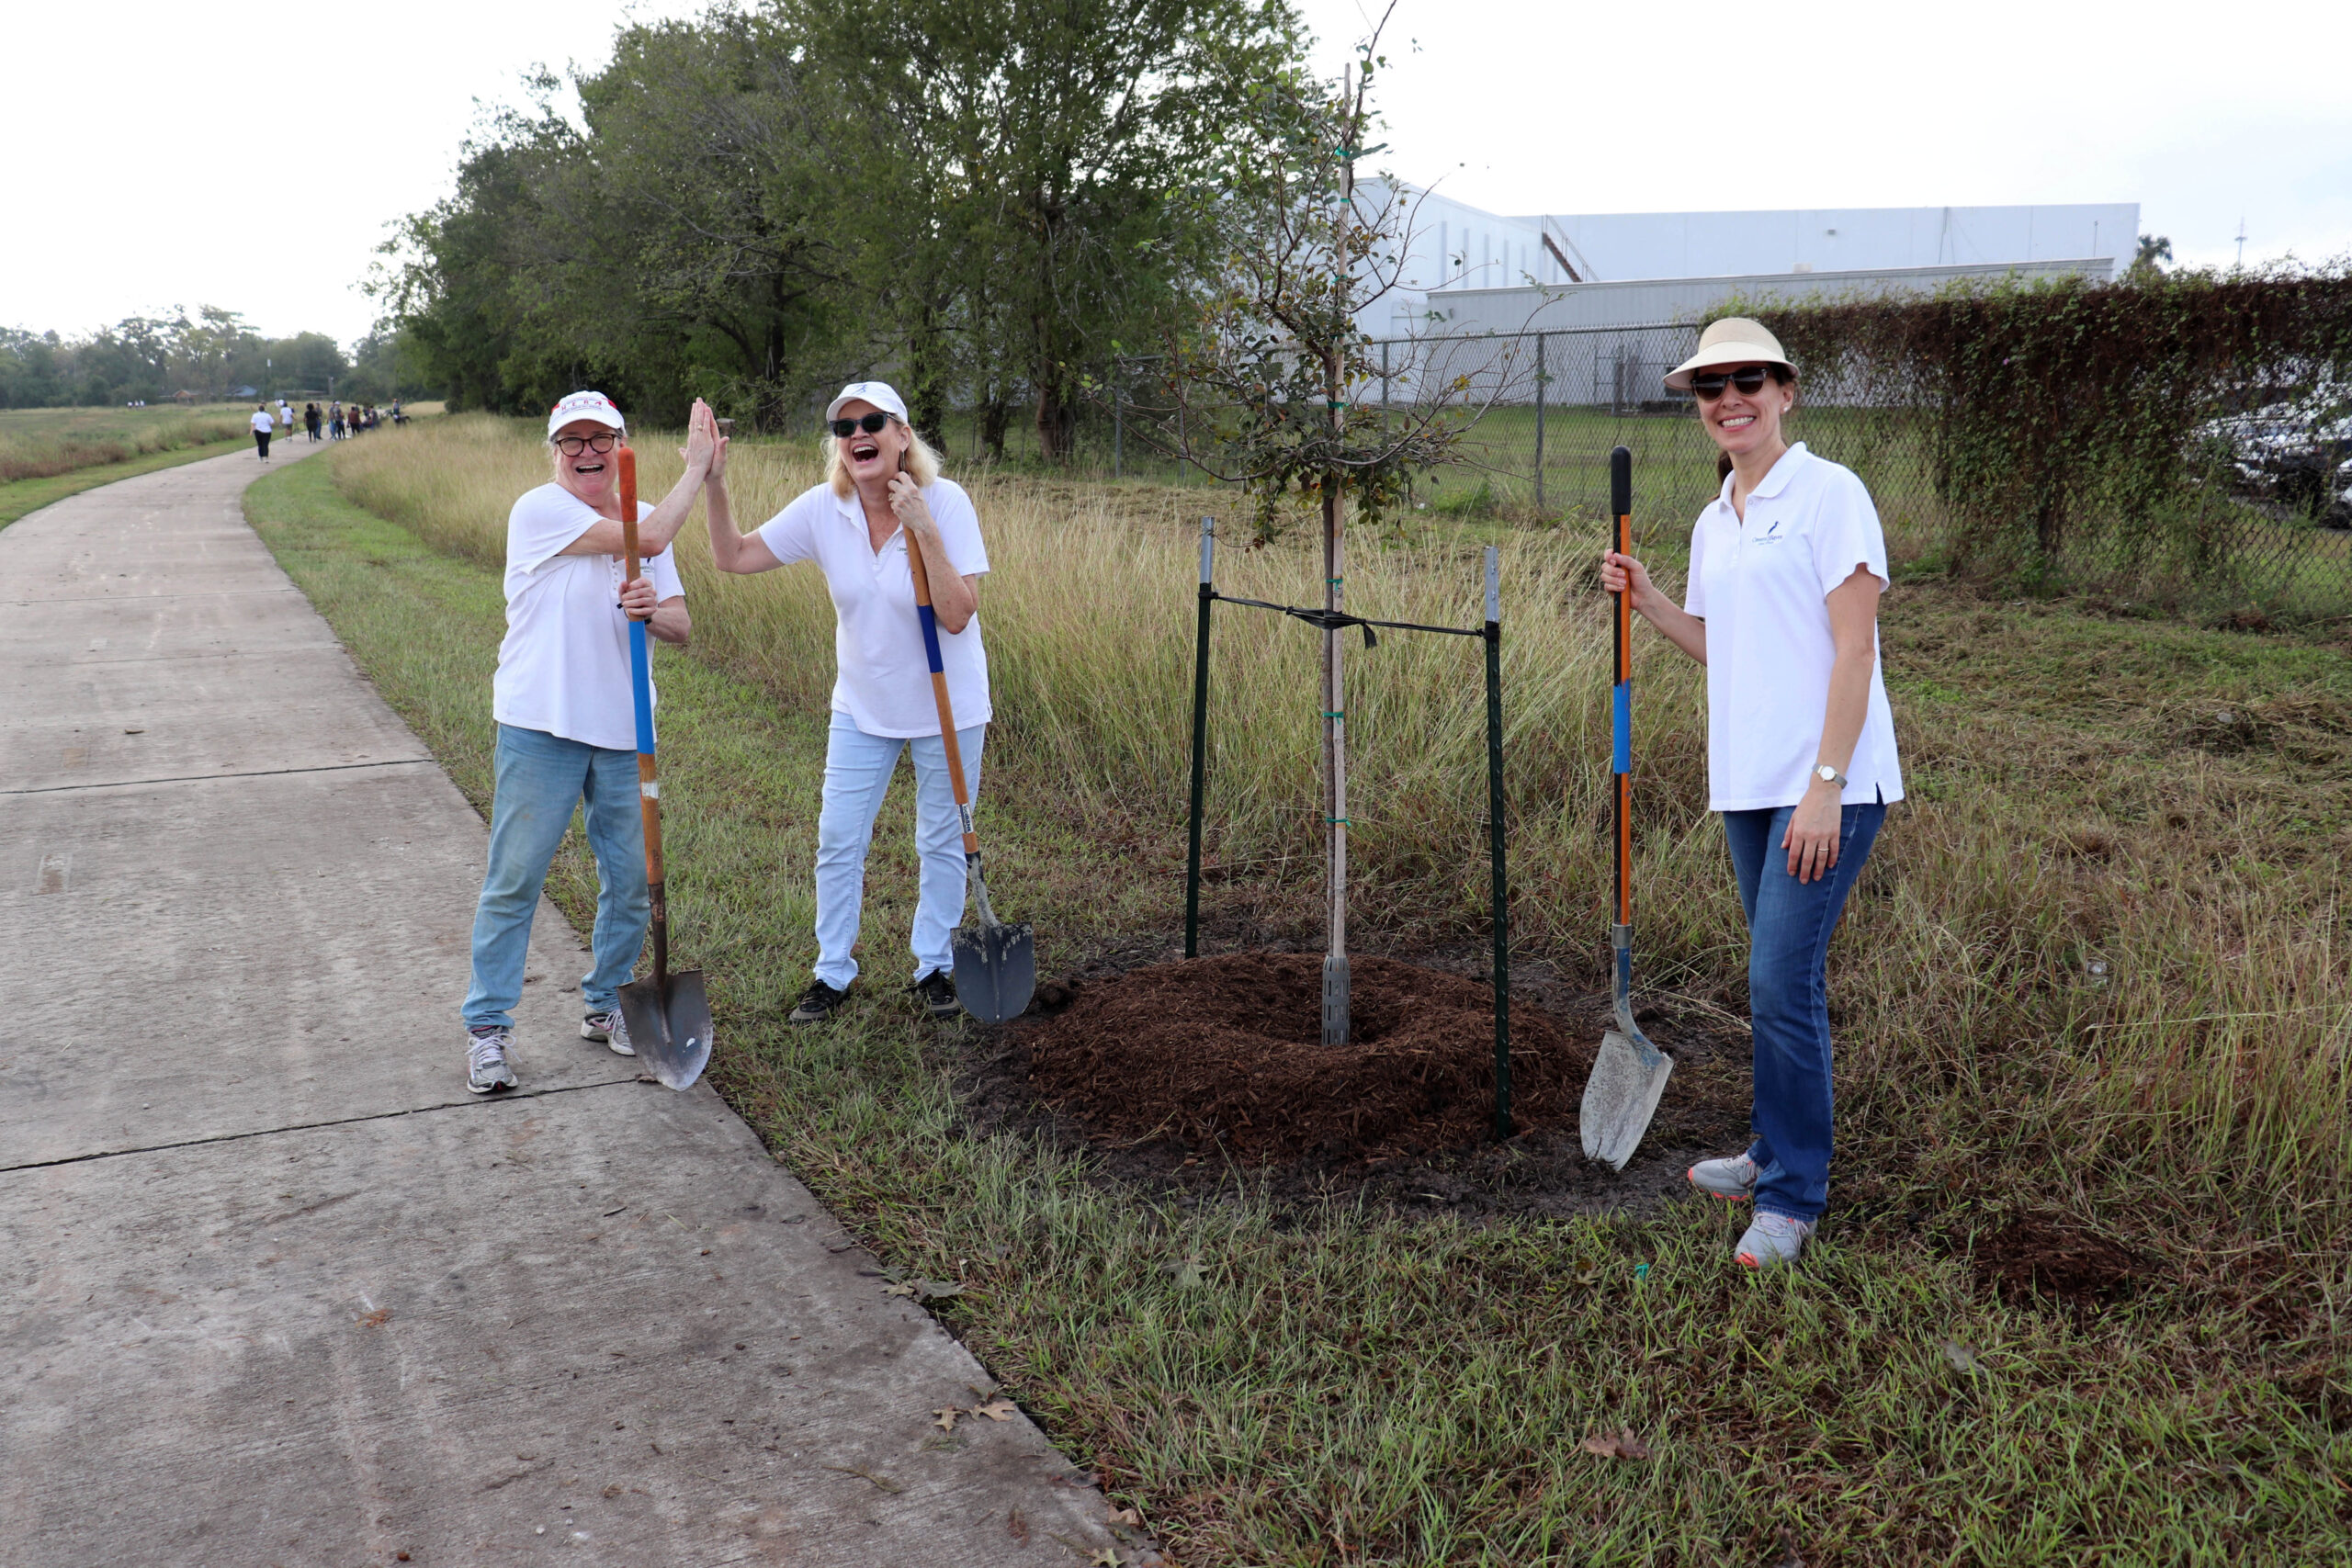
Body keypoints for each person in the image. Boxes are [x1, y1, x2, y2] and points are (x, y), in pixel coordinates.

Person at [1598, 317, 1904, 1269]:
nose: (1728, 399)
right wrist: (1648, 601)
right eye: (1709, 386)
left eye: (1748, 381)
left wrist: (1825, 786)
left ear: (1785, 391)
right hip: (1748, 785)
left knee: (1779, 982)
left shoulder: (1828, 495)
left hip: (1826, 787)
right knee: (1774, 984)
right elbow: (1719, 648)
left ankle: (1793, 1196)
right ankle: (1771, 1148)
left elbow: (1856, 649)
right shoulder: (1713, 513)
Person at [703, 380, 989, 1025]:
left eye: (874, 422)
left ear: (903, 435)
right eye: (845, 427)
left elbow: (957, 615)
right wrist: (714, 484)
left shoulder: (946, 502)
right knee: (838, 838)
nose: (858, 434)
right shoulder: (821, 510)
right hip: (862, 705)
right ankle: (832, 973)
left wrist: (923, 529)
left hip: (950, 704)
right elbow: (733, 555)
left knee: (941, 839)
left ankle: (934, 965)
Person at [458, 391, 719, 1093]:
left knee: (634, 880)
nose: (585, 454)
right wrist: (699, 466)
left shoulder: (636, 522)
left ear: (619, 446)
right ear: (554, 452)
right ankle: (487, 1028)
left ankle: (605, 1003)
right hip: (540, 724)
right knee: (516, 878)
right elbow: (656, 540)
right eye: (570, 442)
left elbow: (681, 623)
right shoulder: (538, 511)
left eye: (598, 439)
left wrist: (651, 612)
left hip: (625, 730)